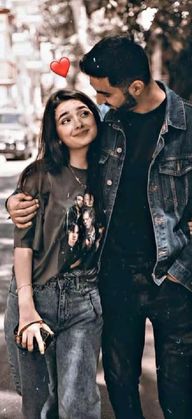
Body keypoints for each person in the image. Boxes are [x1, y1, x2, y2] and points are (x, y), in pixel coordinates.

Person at [6, 35, 192, 419]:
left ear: (135, 87)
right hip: (112, 280)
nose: (99, 102)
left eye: (105, 93)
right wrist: (16, 199)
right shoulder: (105, 125)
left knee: (178, 394)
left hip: (171, 281)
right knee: (121, 387)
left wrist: (183, 271)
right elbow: (59, 170)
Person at [4, 89, 104, 419]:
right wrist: (27, 308)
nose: (77, 122)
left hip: (83, 300)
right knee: (39, 406)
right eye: (66, 119)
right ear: (56, 132)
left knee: (78, 406)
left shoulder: (111, 177)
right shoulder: (39, 175)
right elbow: (23, 246)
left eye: (84, 113)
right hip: (34, 296)